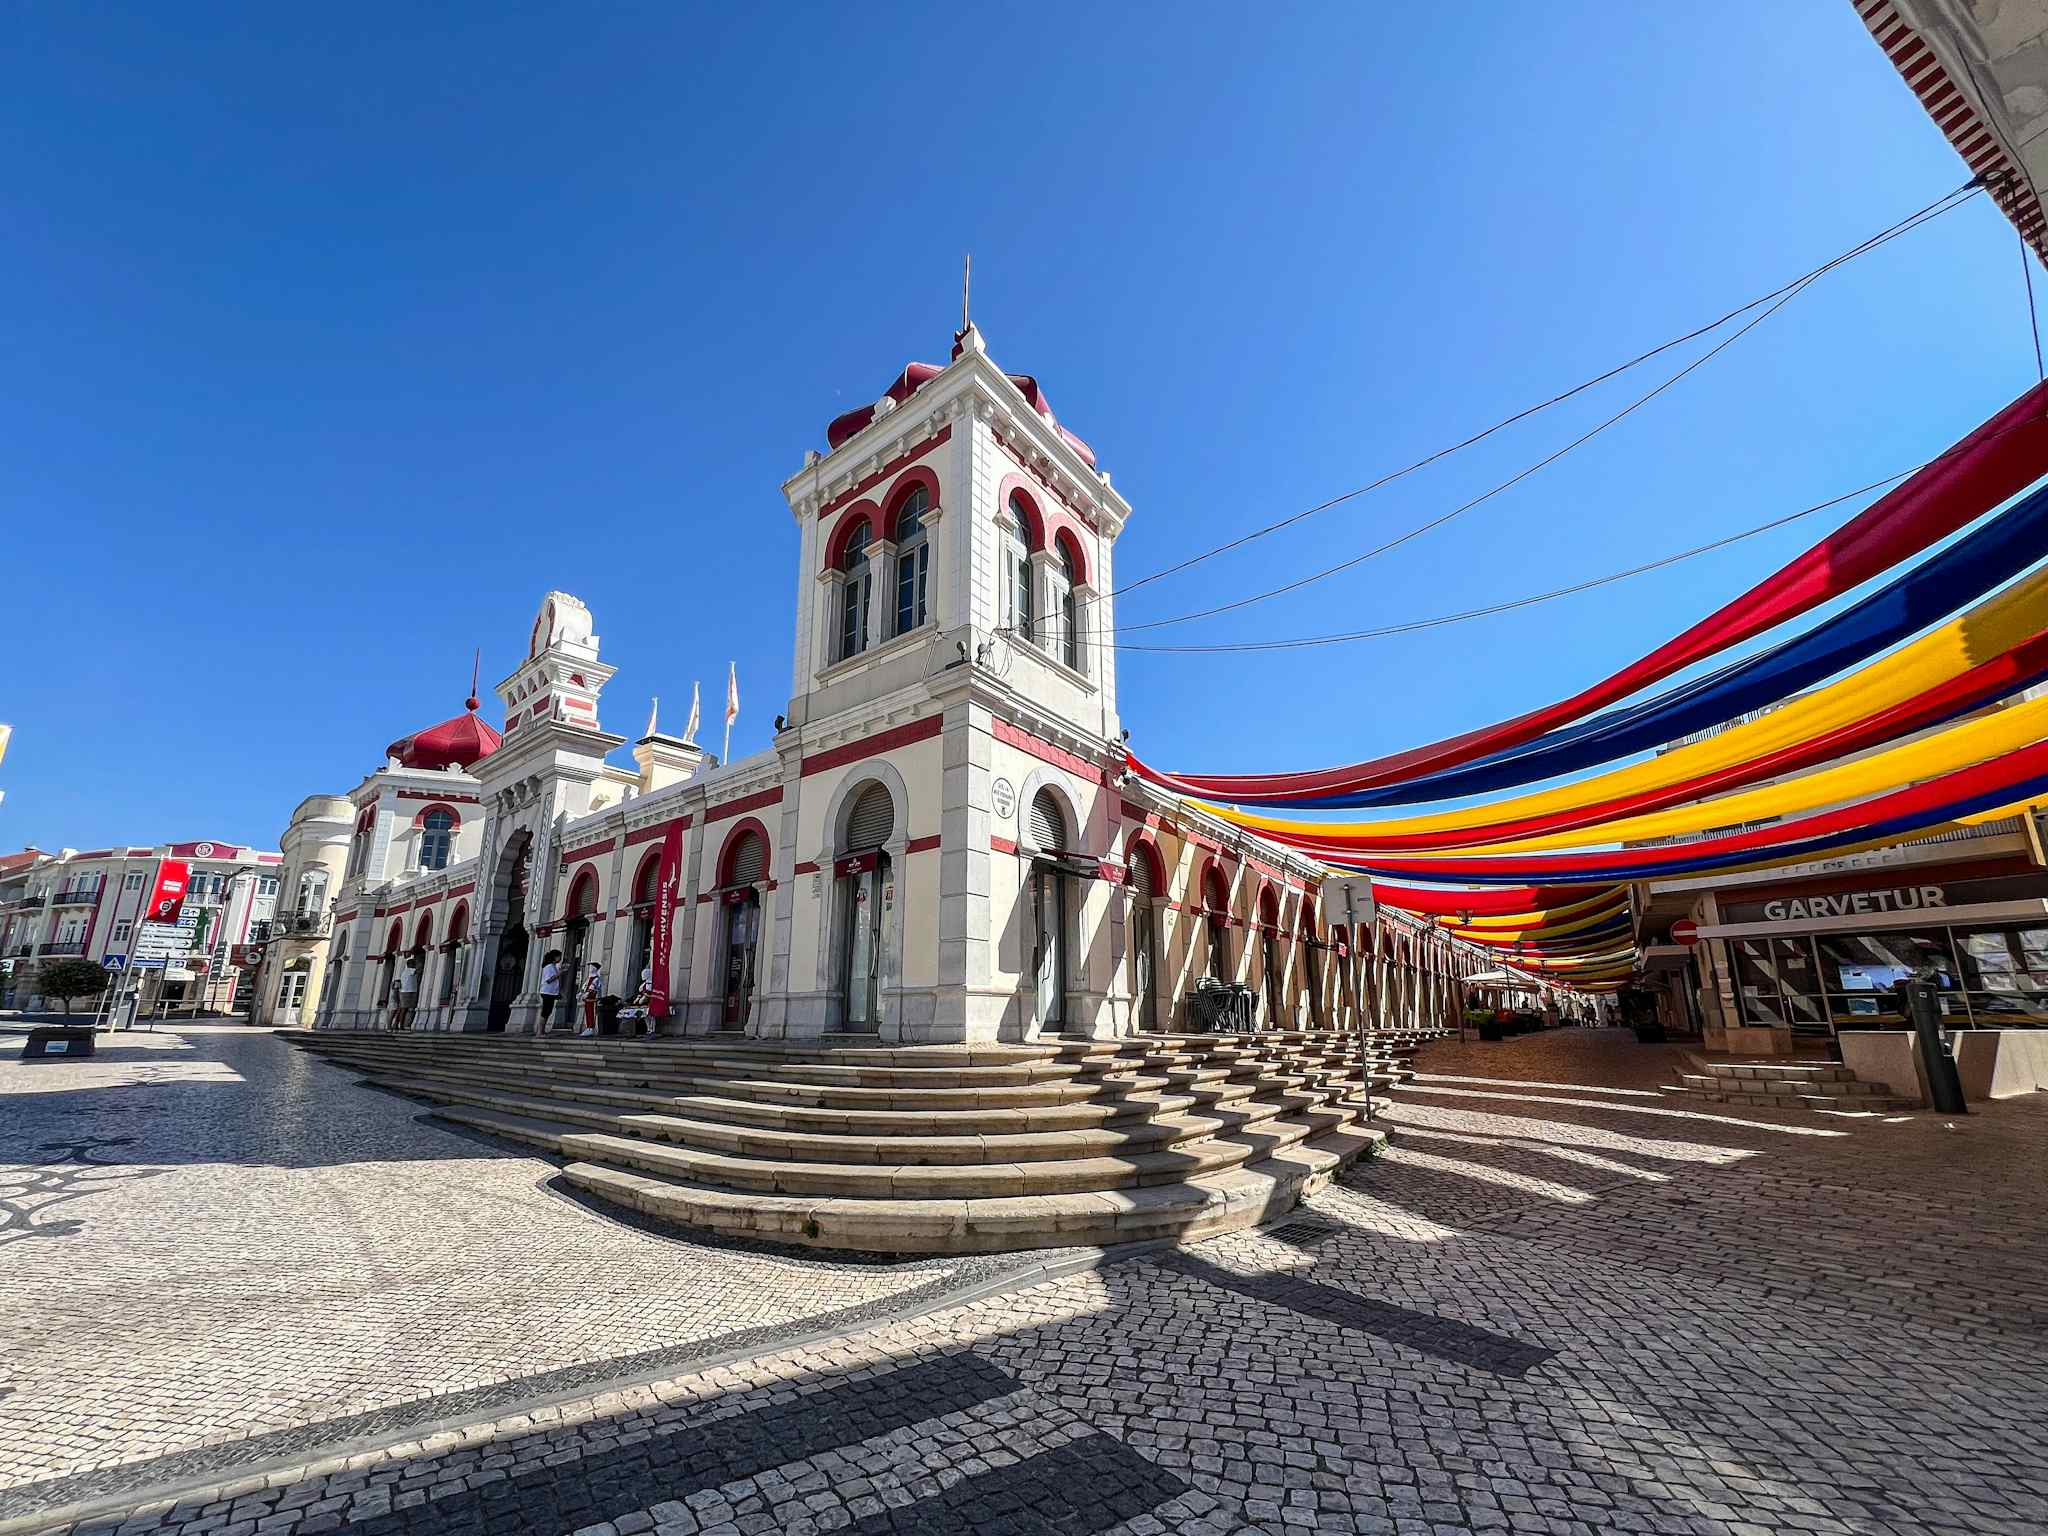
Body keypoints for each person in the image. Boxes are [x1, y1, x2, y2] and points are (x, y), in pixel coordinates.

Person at [394, 953, 421, 1030]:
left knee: (403, 1009)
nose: (415, 965)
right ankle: (401, 1025)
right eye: (414, 964)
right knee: (404, 1009)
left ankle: (397, 1024)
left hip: (406, 991)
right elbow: (418, 970)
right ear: (411, 965)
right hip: (407, 992)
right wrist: (419, 964)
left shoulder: (405, 971)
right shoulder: (410, 970)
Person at [577, 960, 603, 1038]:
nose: (590, 968)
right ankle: (588, 1027)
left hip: (592, 999)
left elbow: (592, 989)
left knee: (592, 1013)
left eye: (592, 967)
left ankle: (591, 1028)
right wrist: (580, 994)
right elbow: (584, 987)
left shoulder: (596, 979)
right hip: (587, 999)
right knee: (588, 1013)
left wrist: (586, 995)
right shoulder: (589, 978)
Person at [539, 949, 564, 1030]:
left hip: (551, 992)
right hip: (547, 992)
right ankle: (540, 1031)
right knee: (545, 1011)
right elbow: (549, 980)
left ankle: (542, 1030)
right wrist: (559, 974)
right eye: (559, 956)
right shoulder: (549, 967)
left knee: (548, 1011)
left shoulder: (553, 966)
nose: (560, 959)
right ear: (555, 957)